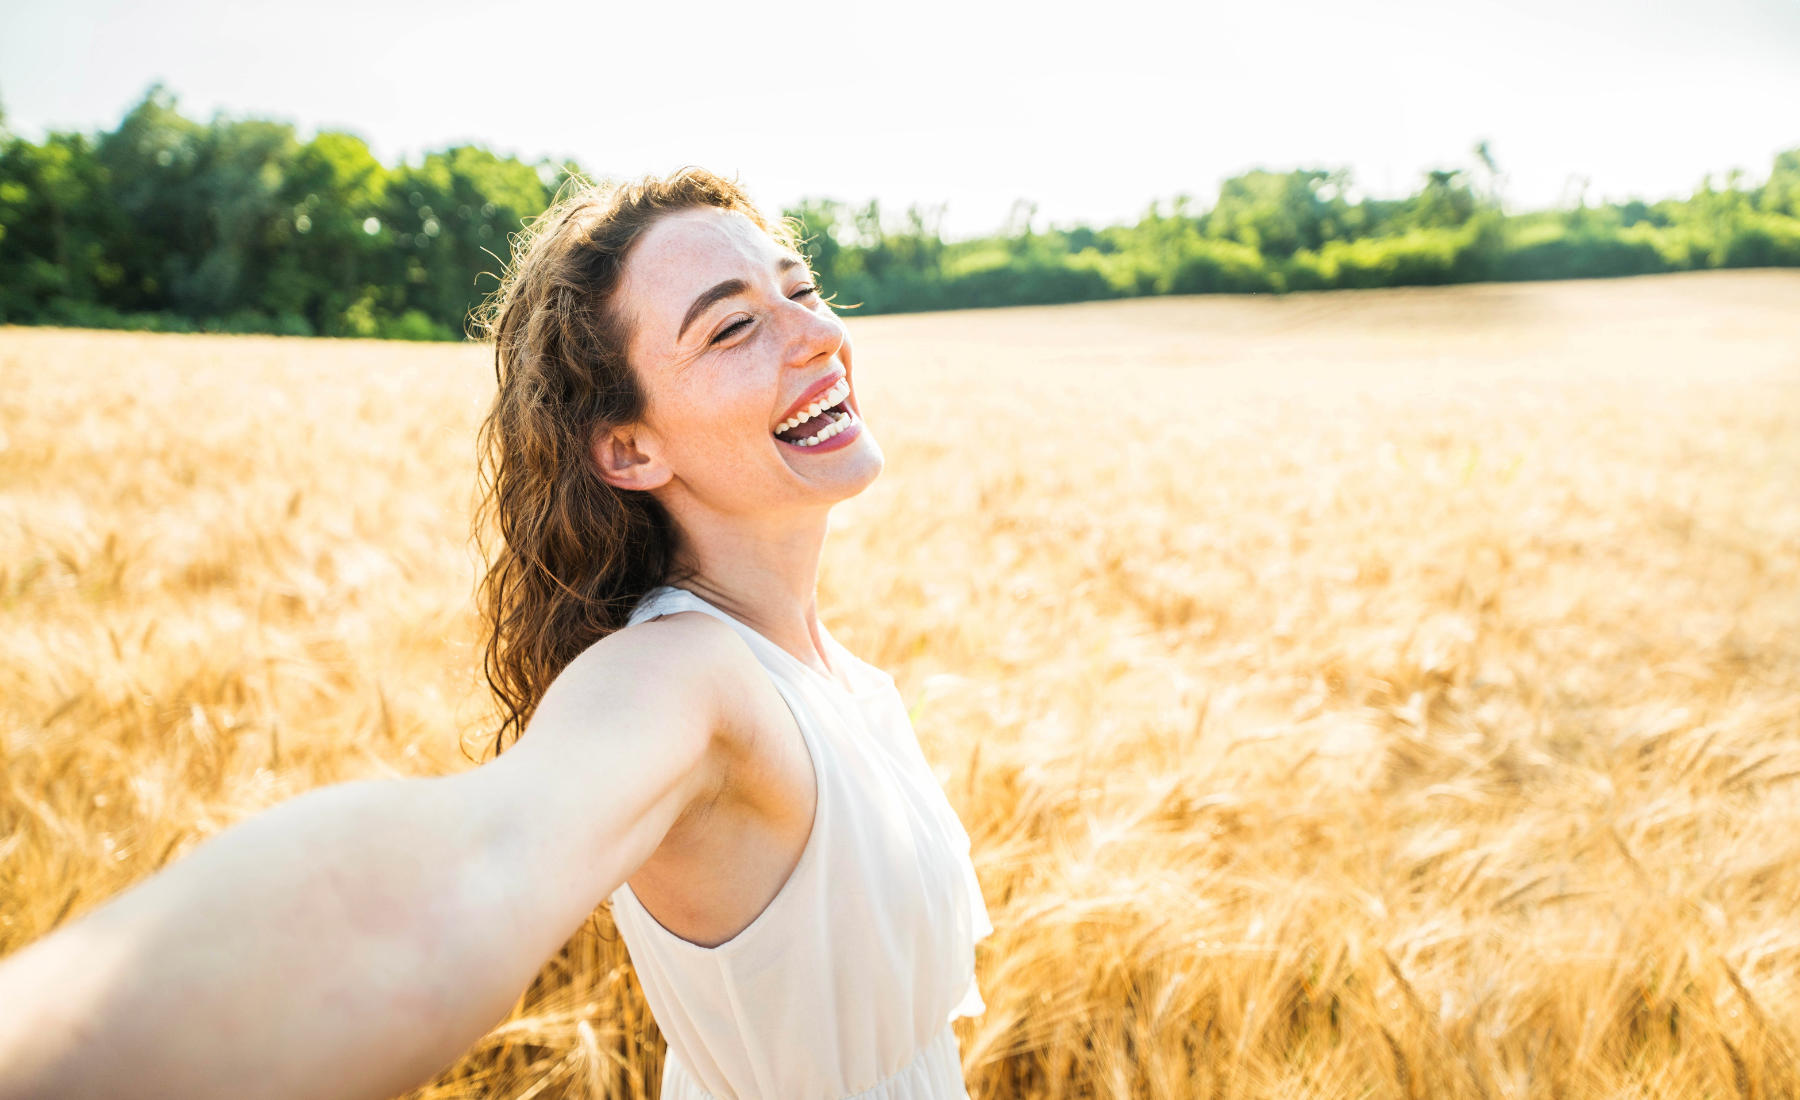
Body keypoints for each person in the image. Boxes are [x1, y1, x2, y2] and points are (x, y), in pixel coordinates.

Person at [0, 167, 992, 1100]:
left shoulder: (835, 675)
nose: (816, 334)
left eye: (801, 287)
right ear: (631, 447)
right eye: (733, 327)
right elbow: (452, 881)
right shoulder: (682, 674)